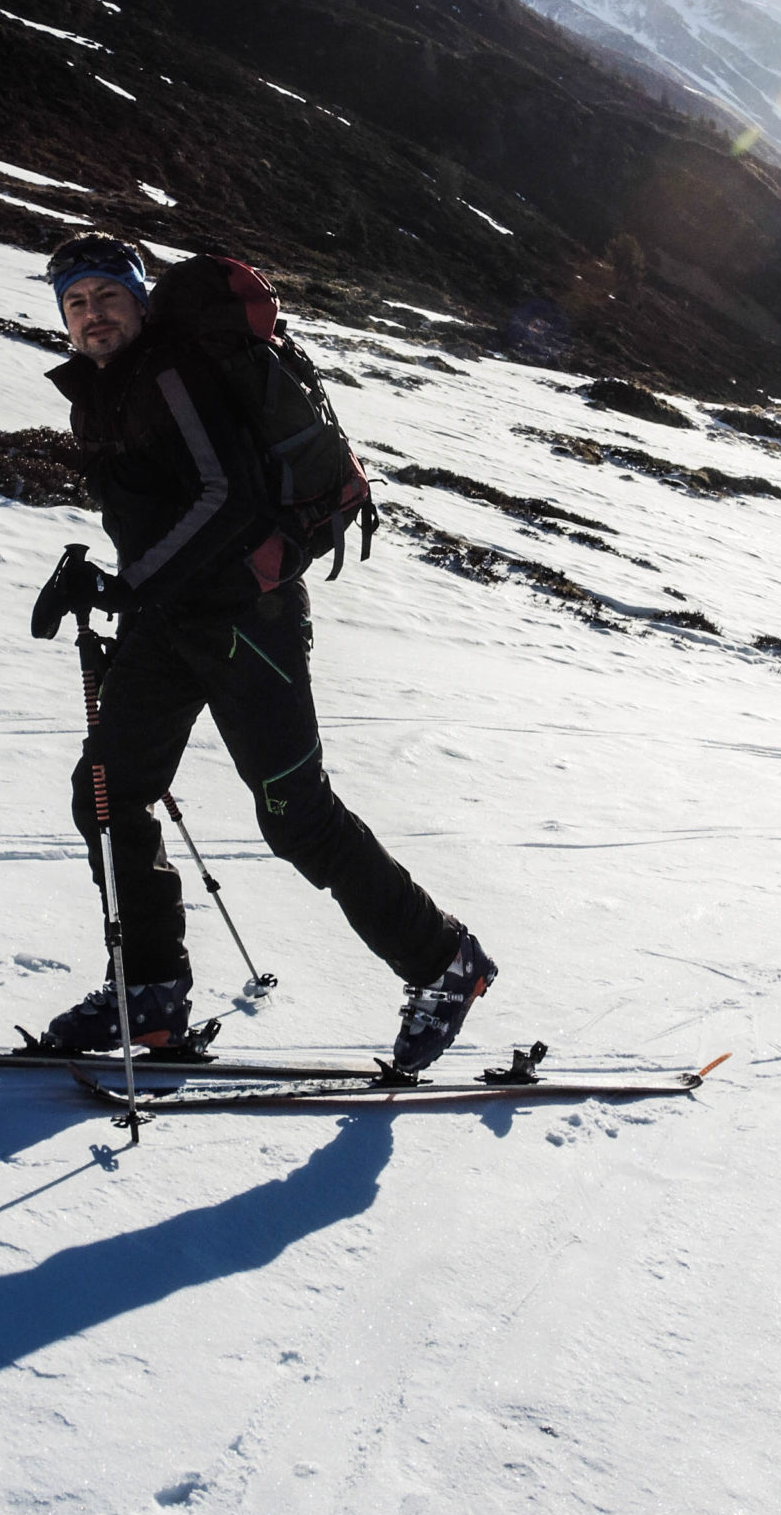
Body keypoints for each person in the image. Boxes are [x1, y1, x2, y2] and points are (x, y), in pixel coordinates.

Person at [36, 233, 496, 1070]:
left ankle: (443, 962)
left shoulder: (170, 375)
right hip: (168, 624)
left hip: (251, 624)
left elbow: (230, 501)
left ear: (139, 301)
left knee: (296, 816)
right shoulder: (103, 391)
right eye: (76, 303)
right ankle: (150, 992)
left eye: (107, 296)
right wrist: (105, 584)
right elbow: (158, 511)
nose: (93, 314)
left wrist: (126, 585)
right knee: (108, 794)